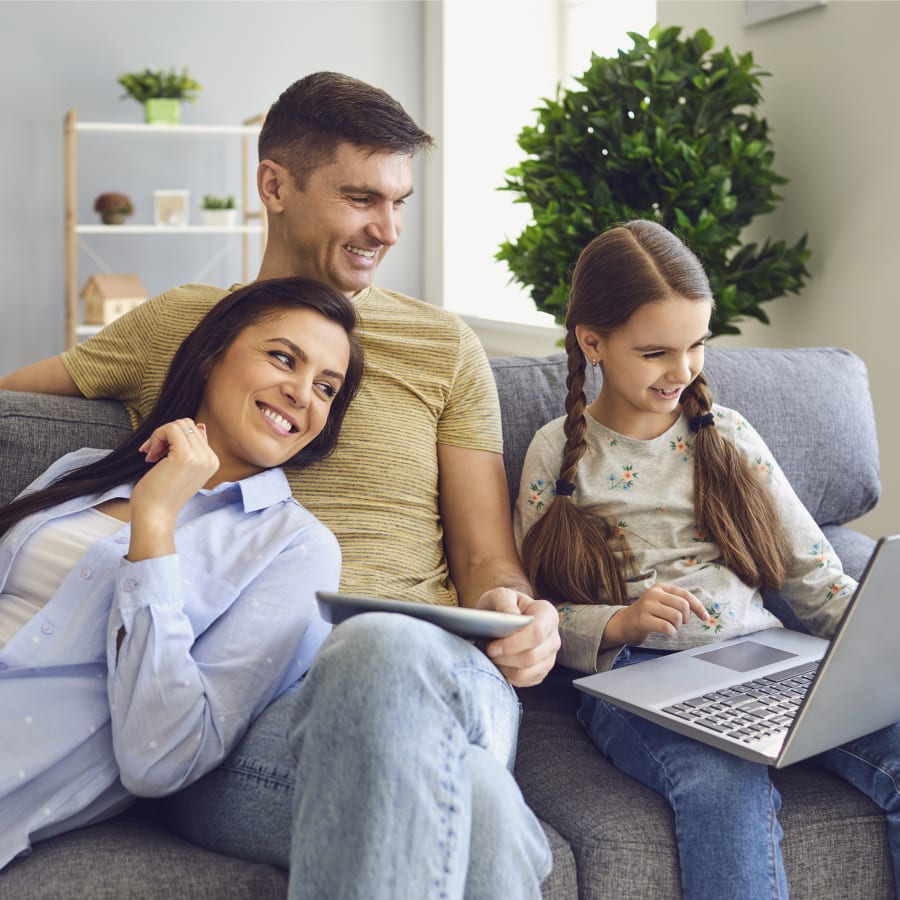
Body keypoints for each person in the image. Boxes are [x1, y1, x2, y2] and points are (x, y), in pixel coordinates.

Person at [0, 72, 558, 896]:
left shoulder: (444, 348)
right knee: (475, 803)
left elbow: (488, 561)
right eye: (364, 198)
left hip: (434, 668)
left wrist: (522, 612)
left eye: (400, 202)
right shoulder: (186, 321)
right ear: (275, 185)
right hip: (241, 703)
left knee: (383, 647)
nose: (388, 228)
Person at [513, 219, 900, 899]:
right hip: (640, 676)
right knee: (723, 785)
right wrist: (621, 623)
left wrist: (878, 641)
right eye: (657, 351)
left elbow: (812, 573)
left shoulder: (728, 434)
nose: (682, 369)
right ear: (592, 341)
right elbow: (538, 609)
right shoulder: (557, 452)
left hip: (765, 655)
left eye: (696, 345)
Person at [0, 275, 363, 870]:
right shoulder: (84, 468)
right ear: (210, 354)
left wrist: (156, 524)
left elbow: (162, 755)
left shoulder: (297, 548)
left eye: (327, 387)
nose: (302, 394)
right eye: (282, 357)